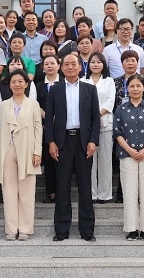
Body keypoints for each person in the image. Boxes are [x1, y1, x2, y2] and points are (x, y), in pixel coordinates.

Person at [45, 54, 101, 242]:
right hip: (62, 142)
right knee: (62, 186)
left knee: (85, 187)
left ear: (80, 67)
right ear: (61, 68)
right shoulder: (55, 90)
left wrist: (93, 141)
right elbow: (49, 118)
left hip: (84, 142)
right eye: (66, 64)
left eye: (73, 64)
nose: (70, 67)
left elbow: (95, 118)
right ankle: (61, 230)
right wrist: (51, 142)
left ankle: (87, 230)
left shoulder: (89, 89)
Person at [113, 74, 144, 242]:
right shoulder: (121, 109)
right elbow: (117, 132)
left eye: (138, 86)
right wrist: (129, 150)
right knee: (129, 193)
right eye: (132, 86)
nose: (135, 89)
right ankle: (132, 229)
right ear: (127, 88)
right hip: (127, 155)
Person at [0, 69, 43, 241]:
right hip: (7, 149)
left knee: (27, 192)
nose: (17, 84)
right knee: (9, 191)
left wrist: (37, 152)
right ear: (9, 85)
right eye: (13, 82)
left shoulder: (33, 105)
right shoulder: (3, 105)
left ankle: (25, 229)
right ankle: (11, 229)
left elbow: (38, 129)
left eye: (20, 81)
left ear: (26, 84)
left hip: (27, 150)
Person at [80, 52, 116, 203]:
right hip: (86, 126)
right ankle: (92, 194)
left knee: (105, 160)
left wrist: (96, 114)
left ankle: (105, 194)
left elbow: (110, 101)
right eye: (93, 62)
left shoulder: (109, 81)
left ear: (104, 65)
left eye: (99, 62)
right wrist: (91, 117)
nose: (95, 64)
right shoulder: (82, 81)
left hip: (105, 124)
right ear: (88, 64)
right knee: (90, 160)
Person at [35, 54, 61, 204]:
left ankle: (62, 192)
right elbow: (35, 104)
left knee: (61, 161)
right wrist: (47, 116)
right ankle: (51, 192)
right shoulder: (38, 86)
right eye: (47, 64)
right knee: (49, 160)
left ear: (58, 66)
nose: (50, 66)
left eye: (52, 63)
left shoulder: (64, 82)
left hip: (62, 127)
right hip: (44, 126)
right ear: (43, 68)